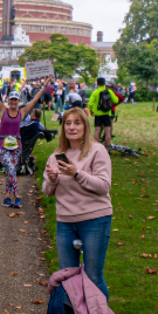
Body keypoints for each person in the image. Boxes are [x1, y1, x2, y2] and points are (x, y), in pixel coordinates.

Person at [44, 108, 113, 298]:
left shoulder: (96, 151)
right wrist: (52, 179)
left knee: (93, 277)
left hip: (95, 219)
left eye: (77, 123)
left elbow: (103, 186)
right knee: (67, 277)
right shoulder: (56, 156)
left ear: (85, 126)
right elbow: (48, 191)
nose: (72, 127)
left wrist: (77, 173)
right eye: (68, 123)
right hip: (66, 222)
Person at [0, 70, 45, 208]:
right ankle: (17, 196)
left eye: (16, 99)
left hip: (16, 146)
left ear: (18, 101)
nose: (14, 102)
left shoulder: (21, 113)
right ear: (8, 100)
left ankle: (8, 197)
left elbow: (33, 101)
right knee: (11, 169)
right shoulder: (3, 110)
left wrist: (44, 87)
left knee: (11, 172)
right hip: (3, 146)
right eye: (12, 99)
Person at [87, 77, 123, 150]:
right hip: (107, 114)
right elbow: (116, 100)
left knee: (97, 131)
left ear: (97, 83)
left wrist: (91, 111)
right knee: (107, 131)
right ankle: (107, 149)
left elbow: (90, 103)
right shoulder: (109, 91)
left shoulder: (95, 92)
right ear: (104, 83)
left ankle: (96, 149)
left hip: (98, 114)